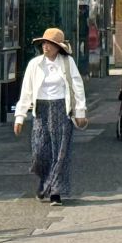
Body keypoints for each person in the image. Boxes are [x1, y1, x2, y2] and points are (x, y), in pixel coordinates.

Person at [14, 27, 87, 205]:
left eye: (50, 44)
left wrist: (80, 112)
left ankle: (56, 192)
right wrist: (20, 116)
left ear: (58, 47)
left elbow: (78, 88)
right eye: (44, 43)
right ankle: (43, 182)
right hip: (41, 110)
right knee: (40, 152)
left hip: (62, 109)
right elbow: (26, 91)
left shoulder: (67, 62)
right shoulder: (35, 64)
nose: (46, 46)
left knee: (60, 153)